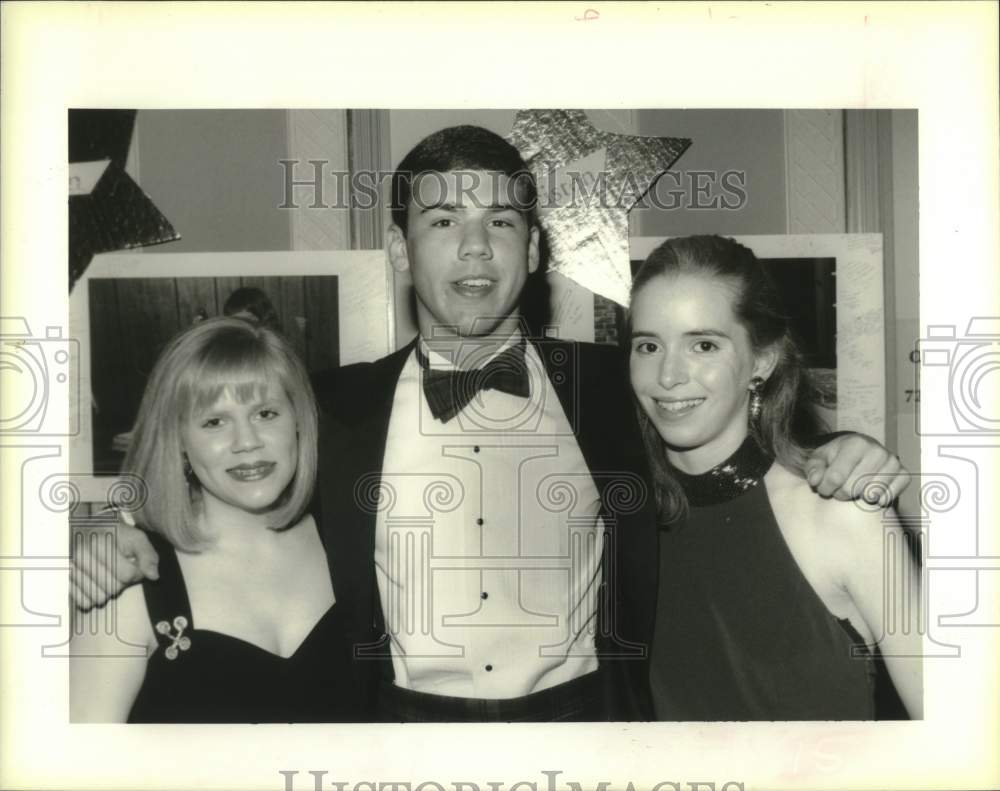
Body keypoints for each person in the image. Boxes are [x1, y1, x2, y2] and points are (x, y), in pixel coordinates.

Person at [72, 125, 910, 722]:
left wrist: (838, 450)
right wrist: (110, 533)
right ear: (400, 251)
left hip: (589, 733)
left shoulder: (620, 387)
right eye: (443, 224)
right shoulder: (329, 407)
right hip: (398, 739)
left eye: (500, 223)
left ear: (536, 250)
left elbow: (733, 432)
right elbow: (216, 471)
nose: (476, 250)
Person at [628, 235, 922, 720]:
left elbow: (956, 736)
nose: (668, 375)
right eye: (648, 345)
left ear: (761, 360)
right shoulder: (618, 515)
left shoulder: (842, 511)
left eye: (703, 344)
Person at [70, 317, 371, 722]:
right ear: (177, 440)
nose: (247, 441)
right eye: (214, 421)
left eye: (266, 413)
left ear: (299, 421)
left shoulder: (348, 536)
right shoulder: (127, 580)